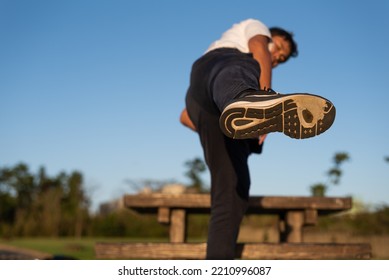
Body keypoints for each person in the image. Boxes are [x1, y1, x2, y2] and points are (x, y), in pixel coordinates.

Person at [180, 18, 335, 259]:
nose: (276, 58)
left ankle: (217, 265)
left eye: (281, 59)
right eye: (278, 49)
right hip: (220, 68)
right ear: (270, 37)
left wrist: (218, 131)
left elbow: (185, 118)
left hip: (202, 105)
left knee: (233, 191)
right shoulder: (255, 29)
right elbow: (260, 49)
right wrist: (264, 95)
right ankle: (249, 101)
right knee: (244, 68)